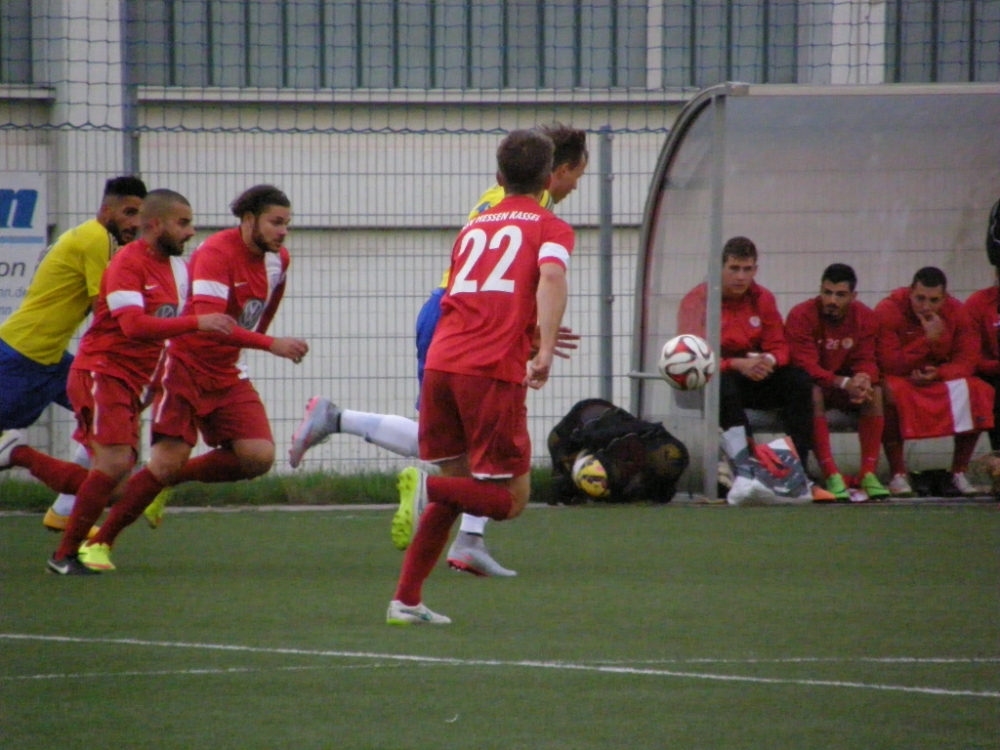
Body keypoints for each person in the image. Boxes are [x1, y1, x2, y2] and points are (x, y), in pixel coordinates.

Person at [288, 123, 588, 577]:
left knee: (458, 449)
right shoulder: (536, 213)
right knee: (454, 453)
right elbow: (539, 275)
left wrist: (531, 328)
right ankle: (340, 421)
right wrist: (536, 338)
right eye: (576, 175)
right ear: (554, 172)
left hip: (463, 320)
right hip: (469, 320)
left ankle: (461, 547)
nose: (576, 186)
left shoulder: (494, 206)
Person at [386, 128, 573, 625]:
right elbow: (552, 277)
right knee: (509, 500)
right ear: (549, 179)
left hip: (442, 361)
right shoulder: (550, 225)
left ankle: (406, 601)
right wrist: (544, 350)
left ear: (498, 177)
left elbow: (475, 296)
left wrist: (528, 334)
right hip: (489, 370)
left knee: (458, 486)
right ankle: (425, 489)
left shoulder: (474, 225)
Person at [72, 185, 309, 571]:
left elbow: (263, 309)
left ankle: (163, 483)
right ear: (249, 220)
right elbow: (210, 322)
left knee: (258, 457)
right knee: (165, 461)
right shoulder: (216, 253)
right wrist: (271, 344)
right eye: (276, 222)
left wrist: (257, 341)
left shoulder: (278, 259)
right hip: (183, 365)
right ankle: (99, 543)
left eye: (287, 223)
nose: (283, 232)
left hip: (226, 372)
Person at [0, 189, 234, 574]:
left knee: (119, 482)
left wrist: (158, 379)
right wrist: (197, 322)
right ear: (154, 224)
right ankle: (64, 553)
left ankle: (33, 473)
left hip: (119, 378)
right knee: (113, 463)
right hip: (96, 371)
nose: (191, 231)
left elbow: (166, 332)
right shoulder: (124, 261)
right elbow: (133, 325)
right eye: (183, 223)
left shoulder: (177, 270)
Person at [0, 176, 148, 536]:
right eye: (129, 213)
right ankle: (16, 454)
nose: (135, 223)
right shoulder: (97, 239)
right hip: (22, 357)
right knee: (114, 431)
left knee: (118, 421)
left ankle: (65, 511)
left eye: (141, 216)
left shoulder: (98, 239)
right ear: (106, 210)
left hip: (49, 360)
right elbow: (107, 310)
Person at [677, 236, 819, 504]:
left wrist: (768, 361)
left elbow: (780, 347)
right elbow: (692, 355)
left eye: (747, 269)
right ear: (719, 268)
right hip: (713, 379)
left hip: (755, 375)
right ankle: (747, 467)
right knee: (724, 384)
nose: (741, 277)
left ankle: (797, 470)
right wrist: (735, 364)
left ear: (755, 269)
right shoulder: (697, 300)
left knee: (798, 381)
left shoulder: (763, 298)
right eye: (734, 269)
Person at [875, 266, 993, 497]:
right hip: (902, 378)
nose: (926, 306)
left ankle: (959, 472)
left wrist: (940, 373)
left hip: (938, 378)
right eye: (920, 298)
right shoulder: (888, 309)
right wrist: (927, 341)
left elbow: (967, 360)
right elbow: (888, 363)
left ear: (944, 298)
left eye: (934, 300)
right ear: (910, 292)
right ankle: (898, 473)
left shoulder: (957, 312)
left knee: (979, 390)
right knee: (888, 390)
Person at [785, 263, 889, 502]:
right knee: (811, 393)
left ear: (853, 296)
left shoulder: (865, 317)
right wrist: (842, 382)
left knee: (875, 392)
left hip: (845, 388)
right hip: (821, 386)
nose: (832, 300)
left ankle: (868, 474)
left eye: (840, 295)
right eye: (827, 292)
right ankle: (831, 474)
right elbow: (805, 365)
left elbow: (867, 358)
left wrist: (863, 379)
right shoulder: (801, 315)